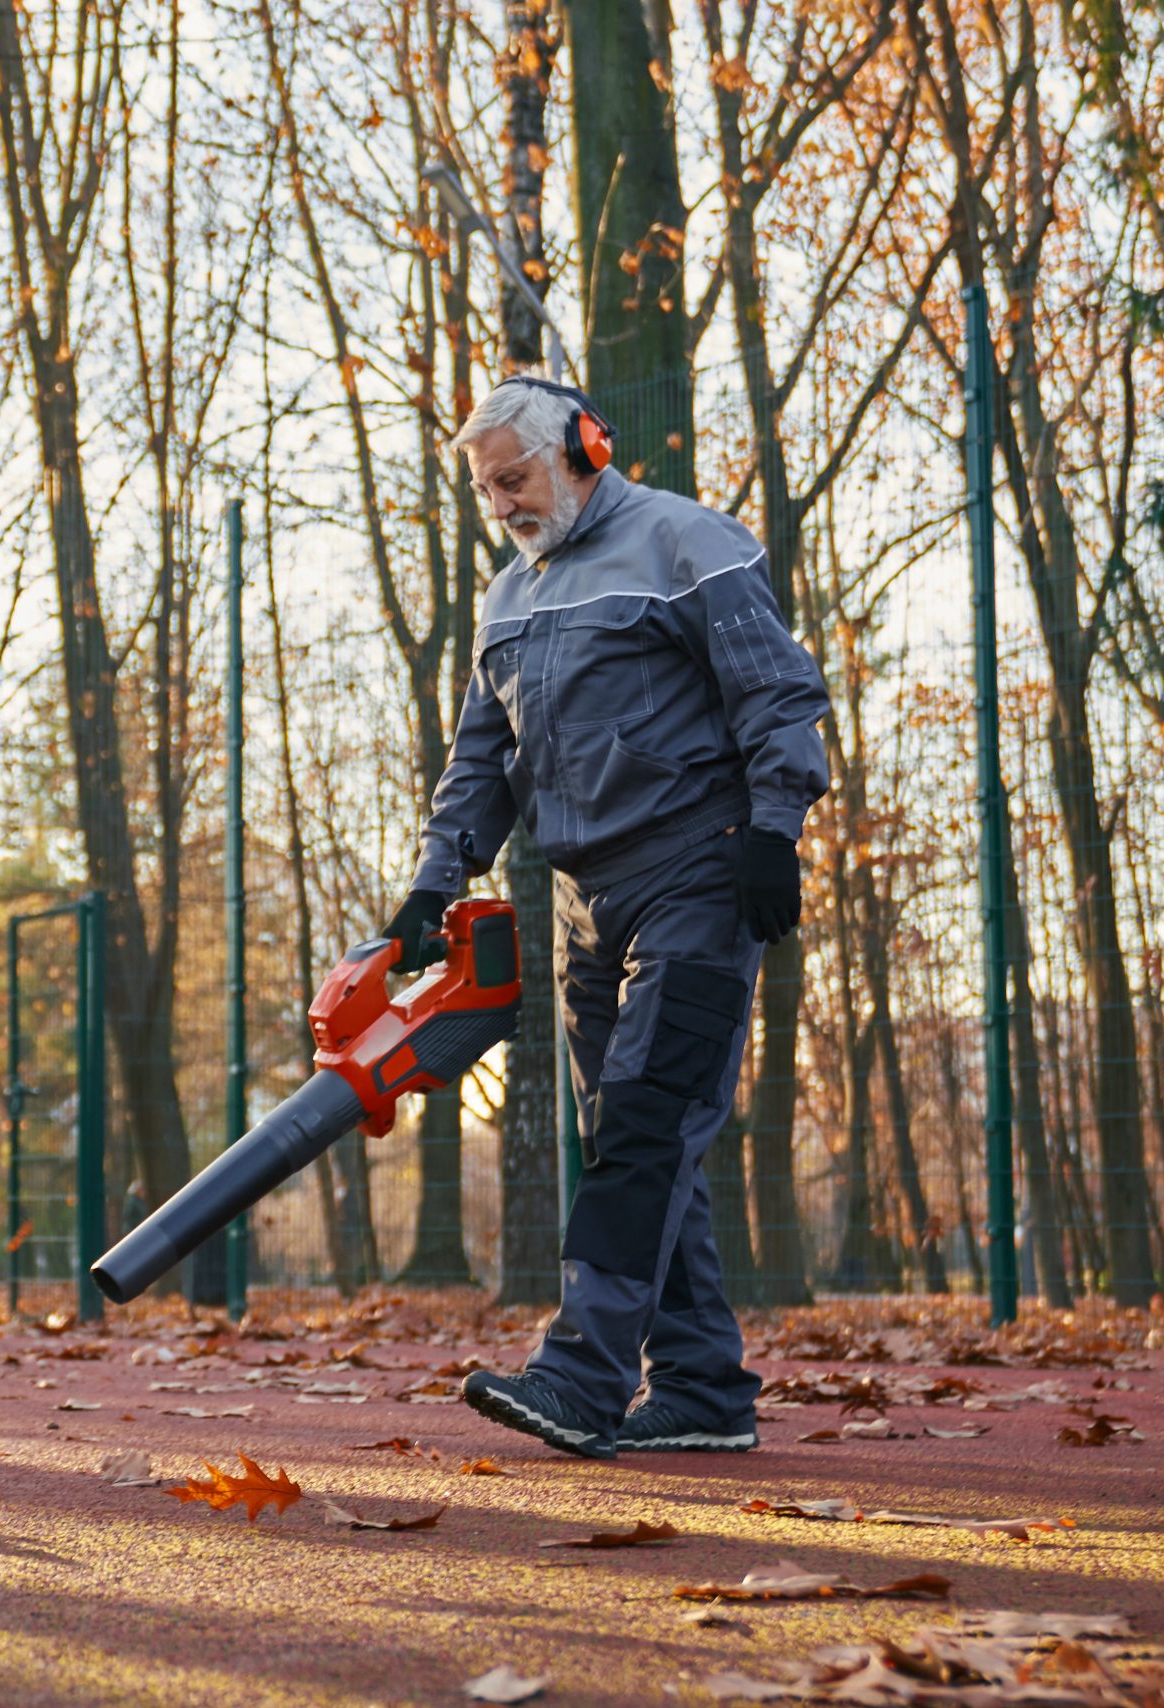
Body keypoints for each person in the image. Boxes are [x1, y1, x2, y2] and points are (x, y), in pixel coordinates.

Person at [383, 375, 830, 1459]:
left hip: (702, 872)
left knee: (642, 1118)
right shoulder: (505, 600)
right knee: (635, 1137)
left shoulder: (689, 545)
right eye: (486, 488)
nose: (502, 502)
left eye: (516, 477)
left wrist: (774, 828)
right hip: (588, 901)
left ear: (585, 444)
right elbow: (481, 759)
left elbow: (777, 692)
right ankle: (703, 1386)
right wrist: (432, 884)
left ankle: (581, 1377)